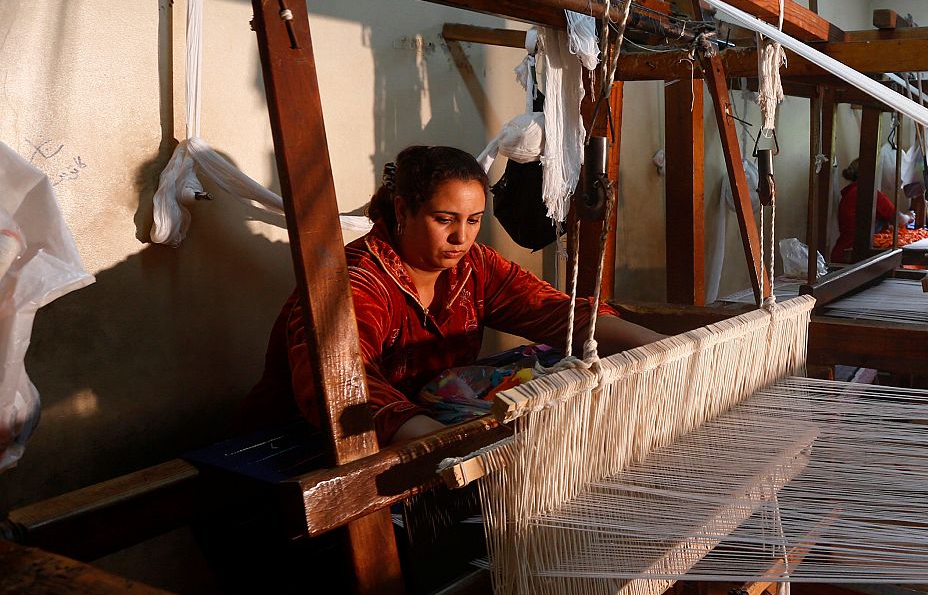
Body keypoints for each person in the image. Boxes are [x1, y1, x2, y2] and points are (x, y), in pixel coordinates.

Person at [243, 145, 662, 444]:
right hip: (301, 452)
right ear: (403, 209)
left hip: (429, 435)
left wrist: (672, 352)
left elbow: (551, 311)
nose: (461, 236)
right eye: (444, 219)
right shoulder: (356, 282)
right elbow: (342, 385)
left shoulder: (472, 266)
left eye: (474, 220)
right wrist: (448, 444)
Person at [830, 158, 913, 262]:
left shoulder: (849, 193)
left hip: (843, 251)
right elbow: (898, 220)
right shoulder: (868, 192)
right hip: (854, 255)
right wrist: (909, 216)